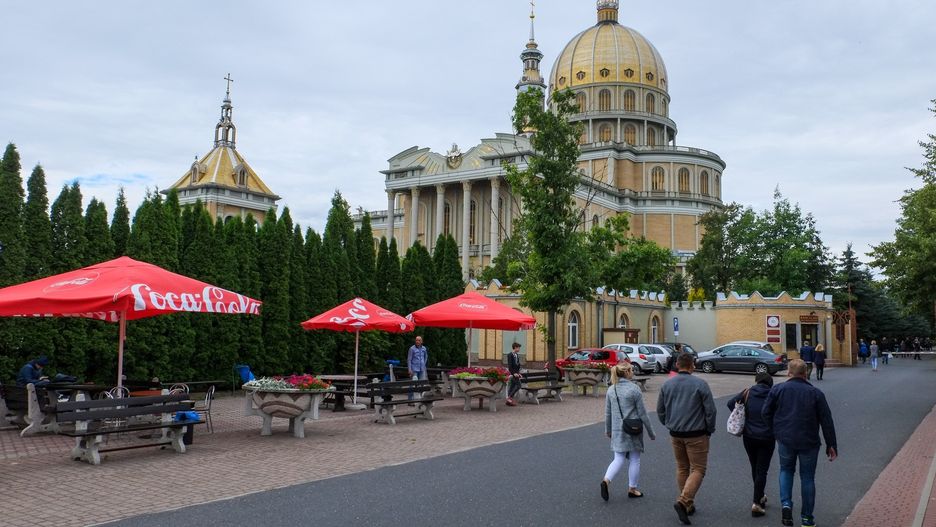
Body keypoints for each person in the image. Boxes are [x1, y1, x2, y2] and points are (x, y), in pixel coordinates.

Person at [763, 359, 838, 527]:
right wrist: (831, 444)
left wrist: (775, 431)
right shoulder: (816, 393)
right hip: (809, 441)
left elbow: (765, 412)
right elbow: (827, 421)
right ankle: (807, 519)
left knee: (786, 470)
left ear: (789, 373)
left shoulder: (778, 390)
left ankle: (786, 505)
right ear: (805, 373)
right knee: (807, 478)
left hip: (785, 439)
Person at [657, 352, 717, 525]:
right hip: (696, 433)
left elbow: (660, 410)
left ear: (677, 364)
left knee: (682, 467)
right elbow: (710, 411)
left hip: (675, 433)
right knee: (698, 469)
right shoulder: (701, 384)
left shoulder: (667, 385)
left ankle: (688, 504)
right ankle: (684, 501)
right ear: (692, 365)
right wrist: (709, 429)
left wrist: (668, 423)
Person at [601, 362, 655, 501]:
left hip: (618, 429)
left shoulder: (611, 390)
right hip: (634, 429)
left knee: (618, 458)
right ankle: (633, 489)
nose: (633, 372)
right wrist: (651, 432)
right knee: (635, 459)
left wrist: (608, 430)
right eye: (631, 370)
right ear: (626, 373)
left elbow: (607, 413)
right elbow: (643, 413)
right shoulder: (634, 389)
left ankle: (606, 480)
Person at [727, 371, 775, 517]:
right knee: (762, 469)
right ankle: (756, 502)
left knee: (755, 466)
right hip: (767, 436)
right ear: (769, 383)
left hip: (749, 436)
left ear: (757, 381)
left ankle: (760, 495)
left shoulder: (747, 392)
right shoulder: (773, 395)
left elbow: (730, 404)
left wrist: (744, 413)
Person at [407, 335, 428, 402]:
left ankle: (420, 399)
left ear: (422, 341)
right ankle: (410, 400)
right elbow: (409, 359)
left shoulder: (424, 348)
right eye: (416, 340)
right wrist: (409, 369)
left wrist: (424, 364)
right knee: (413, 385)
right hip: (414, 369)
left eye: (419, 340)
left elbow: (426, 357)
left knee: (421, 384)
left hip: (422, 369)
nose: (417, 341)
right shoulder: (412, 349)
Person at [506, 342, 522, 406]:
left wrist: (518, 373)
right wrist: (513, 373)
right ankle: (509, 397)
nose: (519, 349)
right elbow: (510, 366)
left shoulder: (517, 355)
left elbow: (517, 365)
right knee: (518, 385)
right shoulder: (510, 355)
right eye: (518, 348)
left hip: (516, 373)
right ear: (515, 347)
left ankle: (509, 401)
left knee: (512, 386)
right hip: (513, 374)